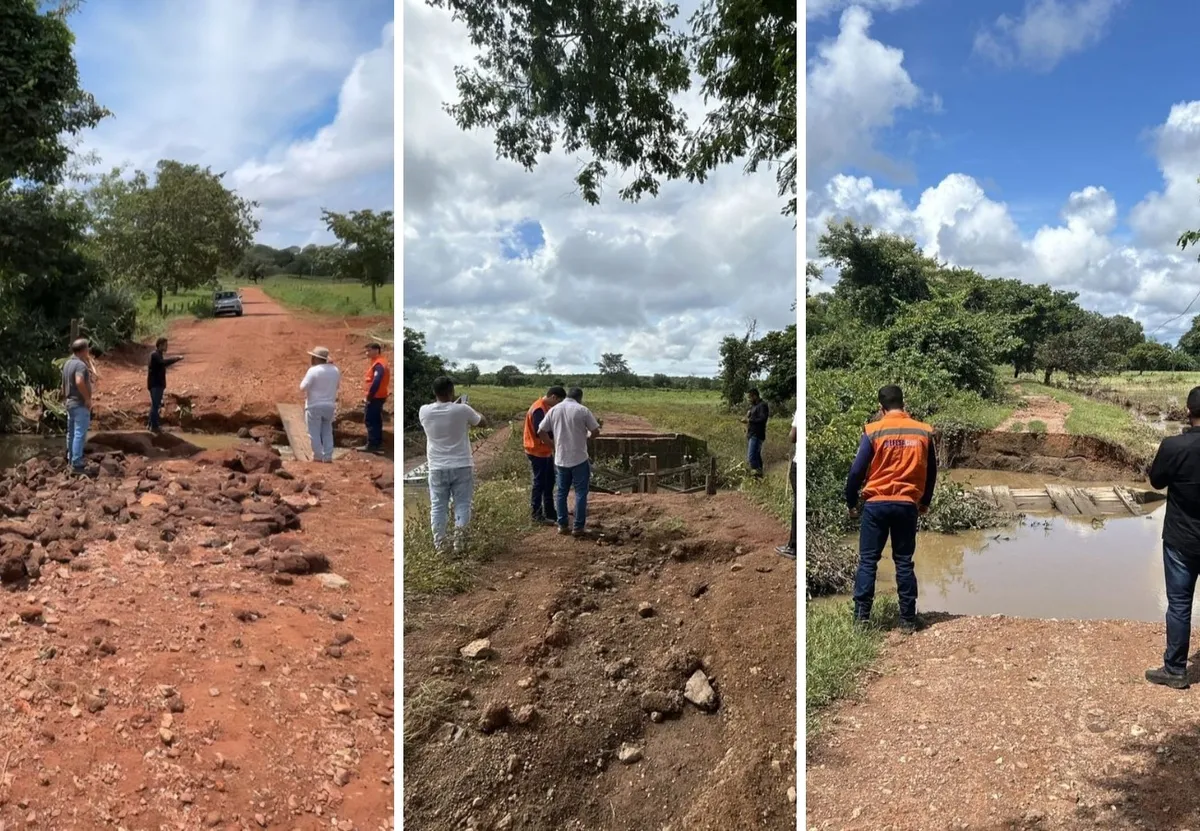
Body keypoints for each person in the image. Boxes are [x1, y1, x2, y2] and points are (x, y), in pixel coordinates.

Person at [844, 385, 937, 634]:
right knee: (904, 561)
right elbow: (931, 473)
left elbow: (856, 472)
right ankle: (907, 620)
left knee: (868, 562)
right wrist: (924, 501)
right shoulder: (923, 431)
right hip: (907, 505)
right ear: (903, 403)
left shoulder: (873, 430)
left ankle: (861, 620)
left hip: (876, 505)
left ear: (881, 407)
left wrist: (851, 501)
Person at [1144, 385, 1200, 689]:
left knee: (1180, 604)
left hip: (1181, 539)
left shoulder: (1173, 446)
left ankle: (1176, 670)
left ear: (1188, 411)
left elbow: (1156, 481)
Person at [418, 375, 486, 554]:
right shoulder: (462, 409)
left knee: (438, 507)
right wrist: (466, 406)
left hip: (437, 467)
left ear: (434, 392)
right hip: (462, 465)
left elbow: (441, 415)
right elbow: (482, 422)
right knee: (462, 505)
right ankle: (459, 545)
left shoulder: (424, 411)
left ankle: (440, 547)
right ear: (452, 391)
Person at [538, 386, 601, 537]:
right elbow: (596, 431)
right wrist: (587, 437)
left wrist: (553, 447)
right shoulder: (582, 410)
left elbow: (541, 431)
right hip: (579, 458)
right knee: (580, 492)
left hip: (561, 459)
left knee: (561, 492)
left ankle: (562, 525)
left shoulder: (554, 410)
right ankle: (578, 527)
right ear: (580, 398)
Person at [524, 386, 566, 525]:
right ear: (554, 397)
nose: (559, 405)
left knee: (549, 482)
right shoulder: (538, 409)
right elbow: (540, 432)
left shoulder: (545, 407)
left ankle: (550, 512)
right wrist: (556, 443)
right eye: (559, 401)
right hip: (537, 451)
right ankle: (536, 515)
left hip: (545, 451)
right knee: (540, 483)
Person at [300, 346, 341, 464]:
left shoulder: (313, 370)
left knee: (313, 432)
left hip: (314, 405)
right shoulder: (335, 370)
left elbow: (302, 387)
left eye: (313, 357)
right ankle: (328, 457)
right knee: (327, 430)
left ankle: (317, 456)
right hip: (329, 405)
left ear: (316, 358)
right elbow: (337, 386)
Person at [62, 338, 93, 474]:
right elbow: (79, 381)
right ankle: (77, 463)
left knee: (72, 433)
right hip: (79, 403)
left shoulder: (67, 364)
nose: (89, 351)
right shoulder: (80, 365)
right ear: (83, 350)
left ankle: (71, 460)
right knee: (80, 433)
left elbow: (63, 385)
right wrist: (87, 398)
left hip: (69, 402)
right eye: (87, 349)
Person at [776, 410, 801, 560]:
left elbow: (793, 436)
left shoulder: (800, 411)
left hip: (799, 464)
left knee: (798, 504)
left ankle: (793, 546)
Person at [146, 337, 184, 433]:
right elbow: (163, 363)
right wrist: (176, 359)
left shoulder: (158, 355)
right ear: (160, 345)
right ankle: (154, 426)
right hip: (155, 385)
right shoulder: (155, 355)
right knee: (156, 405)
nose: (167, 347)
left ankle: (150, 425)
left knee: (155, 405)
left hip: (157, 384)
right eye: (165, 345)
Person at [359, 342, 390, 454]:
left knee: (370, 420)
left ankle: (372, 445)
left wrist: (369, 397)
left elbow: (376, 381)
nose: (367, 353)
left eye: (369, 350)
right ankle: (377, 443)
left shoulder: (378, 364)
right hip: (379, 396)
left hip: (375, 397)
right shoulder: (379, 362)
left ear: (376, 350)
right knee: (376, 420)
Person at [742, 388, 769, 478]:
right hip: (752, 434)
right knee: (756, 456)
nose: (749, 399)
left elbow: (762, 419)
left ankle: (756, 476)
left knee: (751, 457)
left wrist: (749, 420)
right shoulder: (753, 406)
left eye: (750, 397)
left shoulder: (763, 405)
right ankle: (760, 477)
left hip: (757, 435)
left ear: (755, 396)